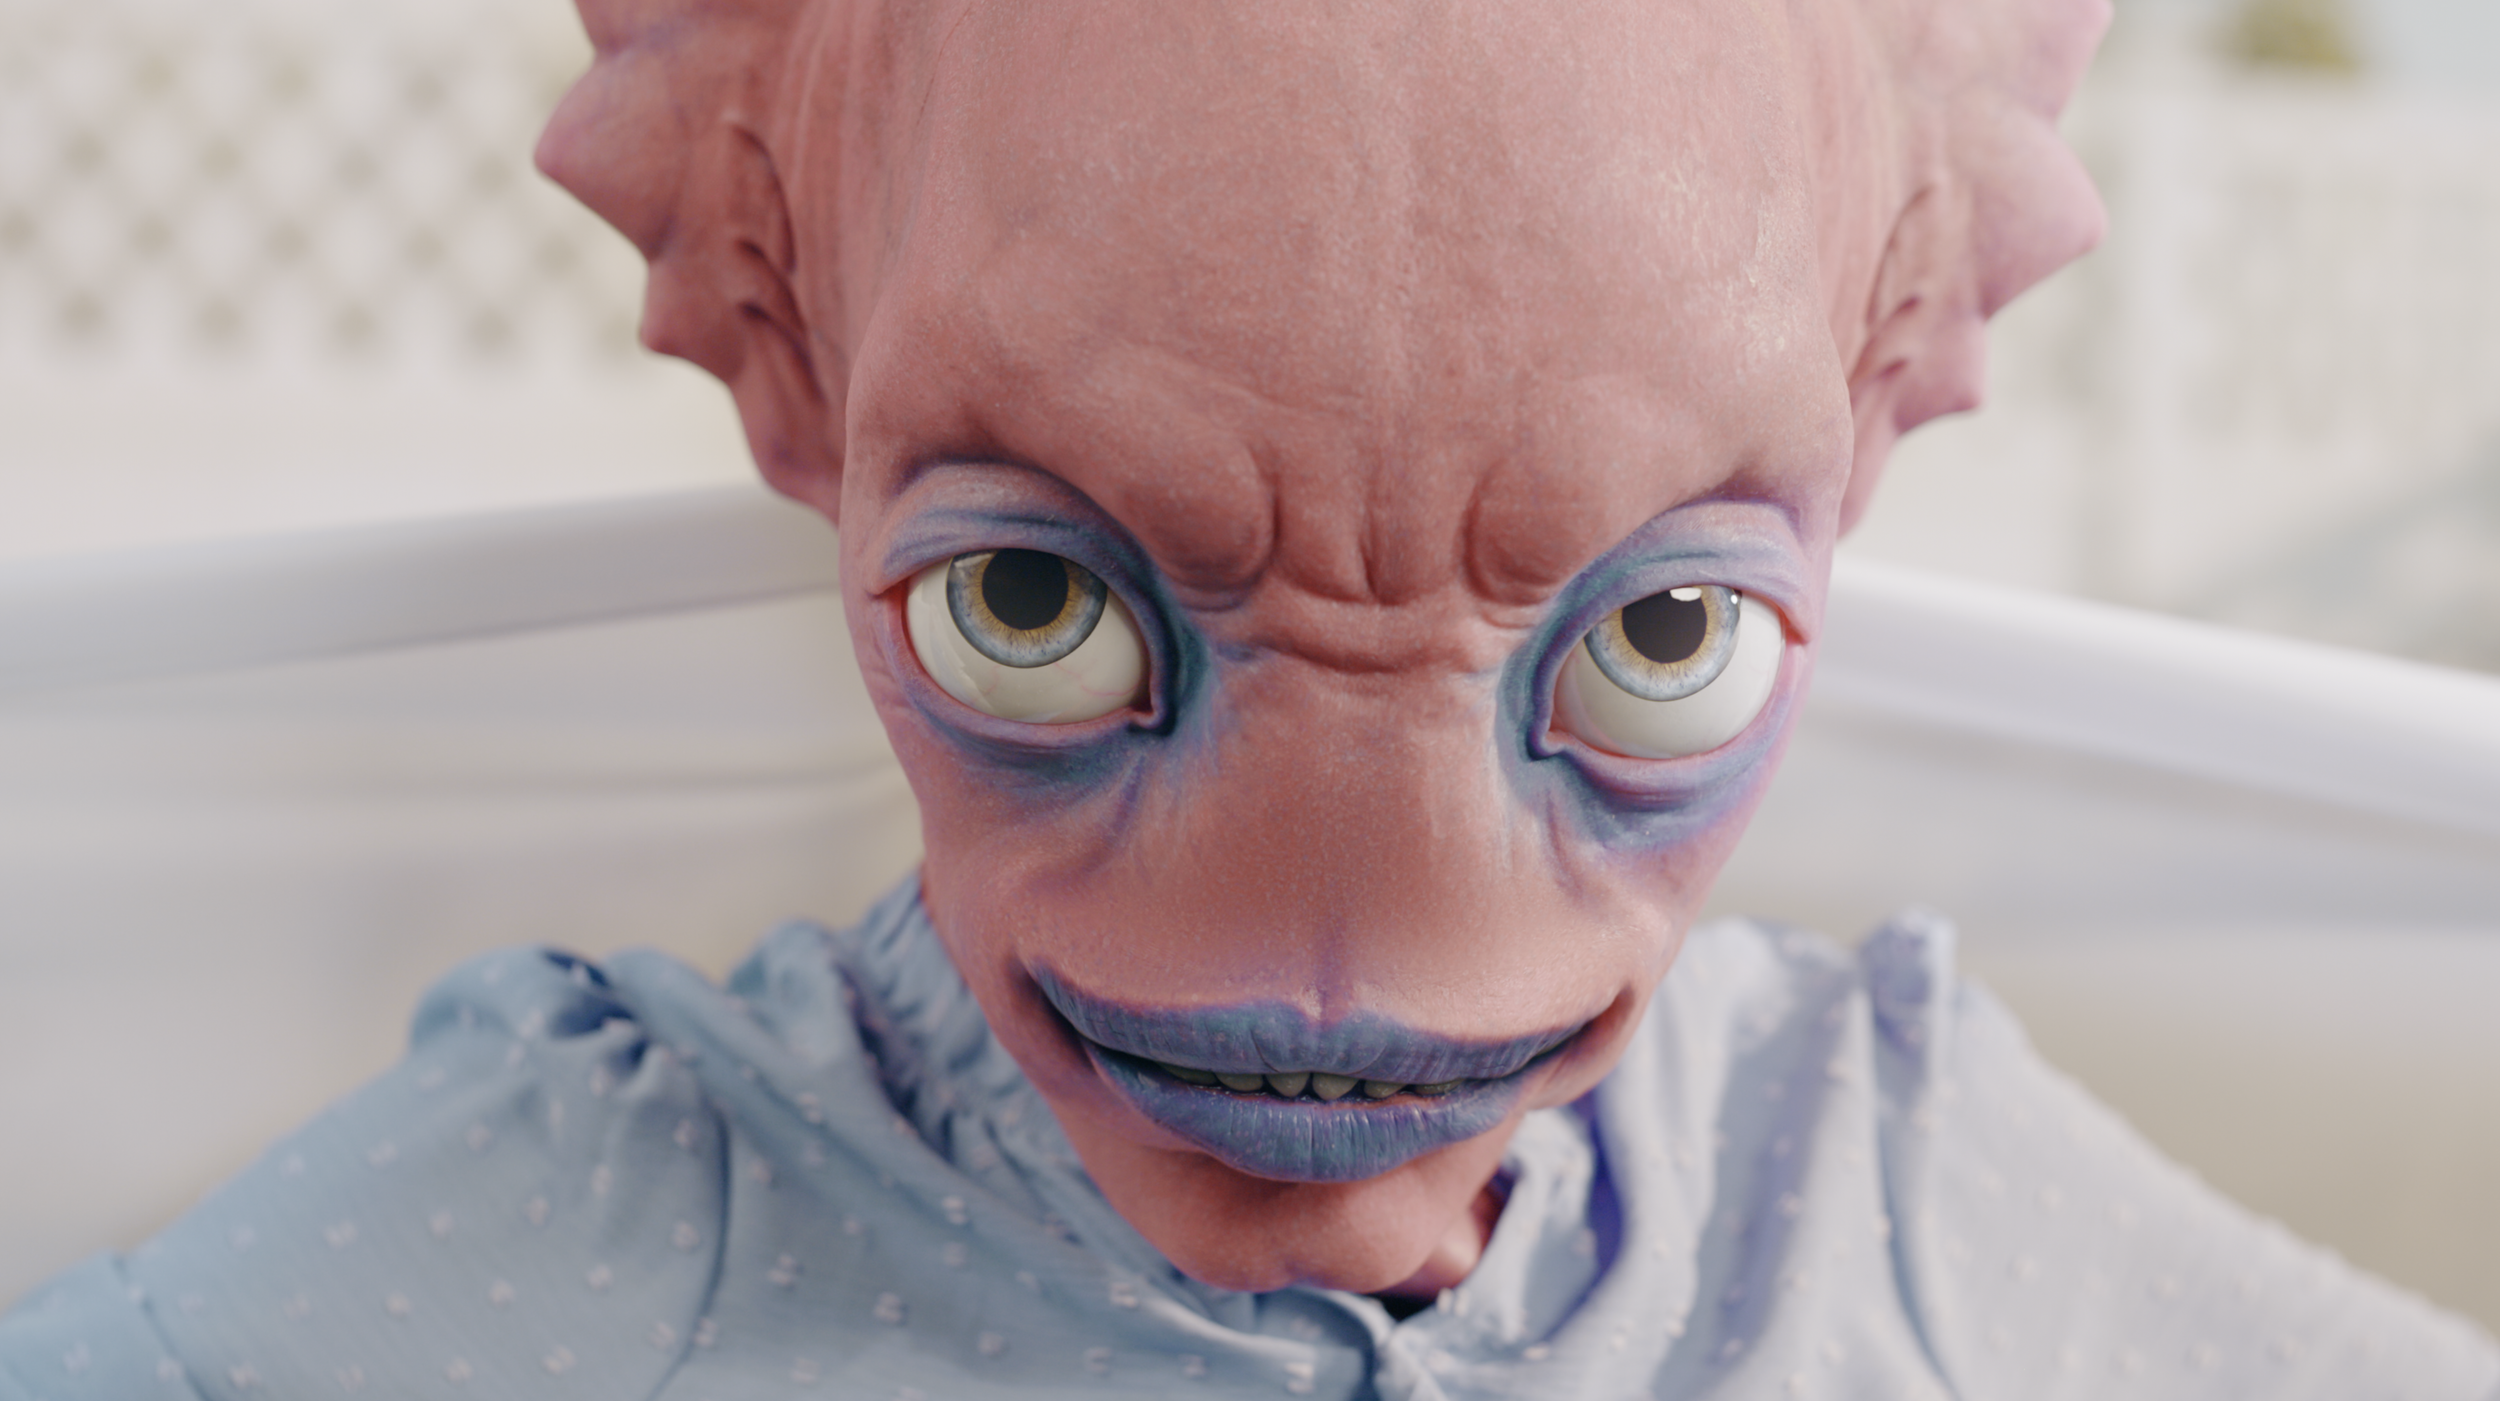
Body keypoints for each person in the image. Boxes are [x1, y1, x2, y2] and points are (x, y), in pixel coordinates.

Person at [5, 1, 2494, 1396]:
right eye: (1030, 608)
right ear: (787, 348)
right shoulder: (623, 1191)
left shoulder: (1875, 1170)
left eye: (1657, 639)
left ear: (1874, 409)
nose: (1346, 966)